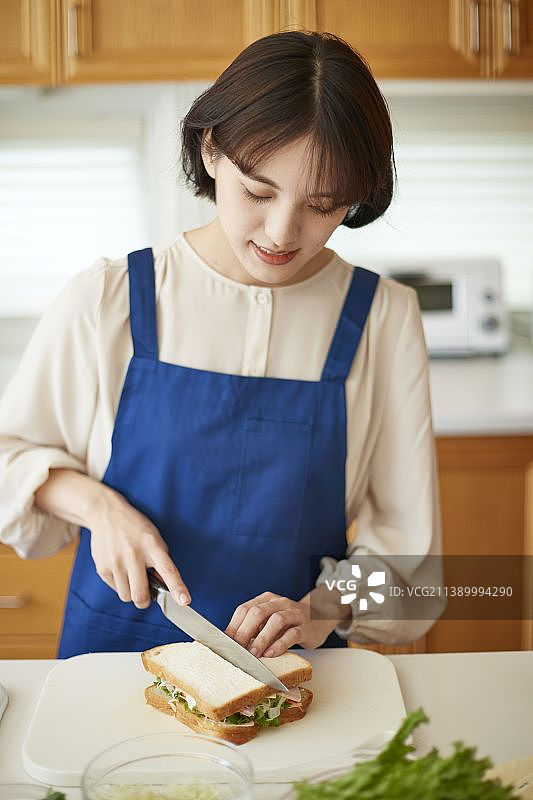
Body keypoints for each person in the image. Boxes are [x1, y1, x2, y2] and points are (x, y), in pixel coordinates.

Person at [0, 30, 443, 659]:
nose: (282, 233)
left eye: (322, 205)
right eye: (258, 192)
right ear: (211, 151)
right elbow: (8, 460)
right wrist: (97, 506)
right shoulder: (109, 298)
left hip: (293, 678)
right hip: (113, 663)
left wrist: (321, 610)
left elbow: (412, 571)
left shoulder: (382, 318)